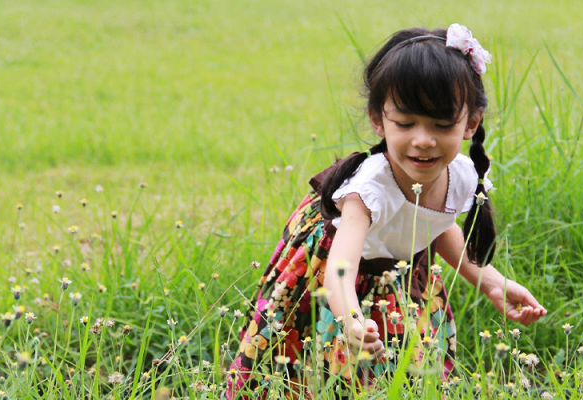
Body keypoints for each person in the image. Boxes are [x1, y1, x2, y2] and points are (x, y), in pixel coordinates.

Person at [224, 23, 547, 399]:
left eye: (442, 125)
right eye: (405, 123)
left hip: (397, 275)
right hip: (330, 275)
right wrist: (349, 317)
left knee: (402, 371)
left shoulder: (462, 175)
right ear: (379, 120)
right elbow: (339, 269)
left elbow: (438, 227)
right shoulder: (369, 191)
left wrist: (492, 283)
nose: (423, 140)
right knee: (309, 369)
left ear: (470, 124)